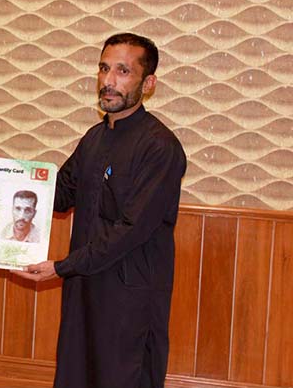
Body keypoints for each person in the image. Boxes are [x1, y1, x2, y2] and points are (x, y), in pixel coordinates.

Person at [14, 33, 186, 388]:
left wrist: (62, 267)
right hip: (84, 292)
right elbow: (58, 195)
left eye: (123, 71)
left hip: (130, 301)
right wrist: (6, 177)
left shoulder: (160, 147)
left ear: (148, 83)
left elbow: (130, 230)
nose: (109, 81)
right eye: (104, 69)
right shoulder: (94, 138)